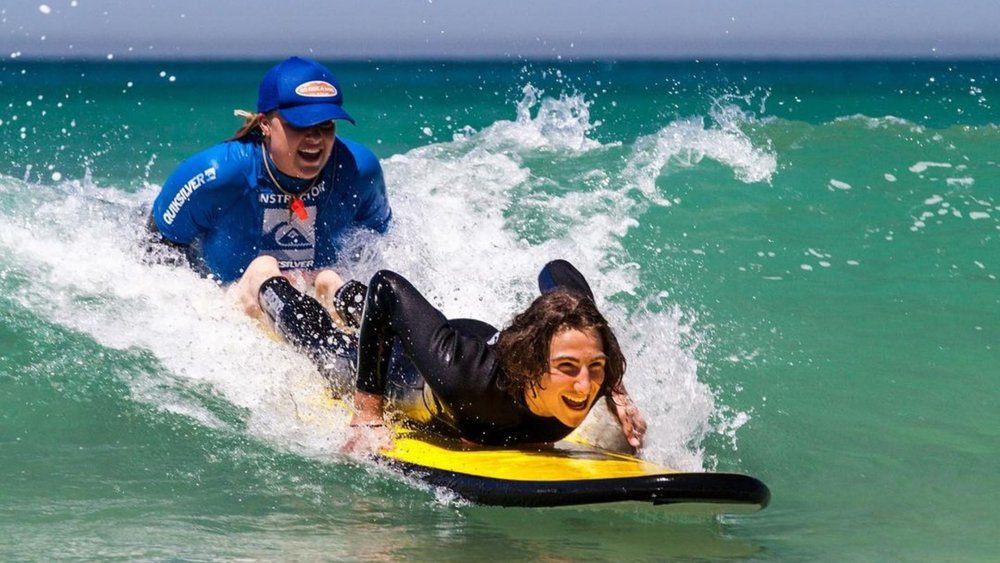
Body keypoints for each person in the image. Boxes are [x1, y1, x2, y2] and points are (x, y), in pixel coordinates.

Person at [246, 259, 647, 452]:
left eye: (596, 366)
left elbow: (556, 270)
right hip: (415, 371)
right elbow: (387, 286)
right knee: (329, 352)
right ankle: (266, 283)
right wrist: (368, 415)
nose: (584, 385)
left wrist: (616, 389)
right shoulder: (464, 381)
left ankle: (336, 288)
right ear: (531, 364)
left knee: (394, 318)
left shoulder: (594, 370)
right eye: (567, 368)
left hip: (470, 339)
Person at [147, 56, 391, 320]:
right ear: (265, 123)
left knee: (331, 280)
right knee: (264, 269)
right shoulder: (216, 174)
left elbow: (379, 243)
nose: (315, 138)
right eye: (300, 124)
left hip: (316, 291)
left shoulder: (359, 170)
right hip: (231, 303)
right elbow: (156, 249)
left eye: (326, 125)